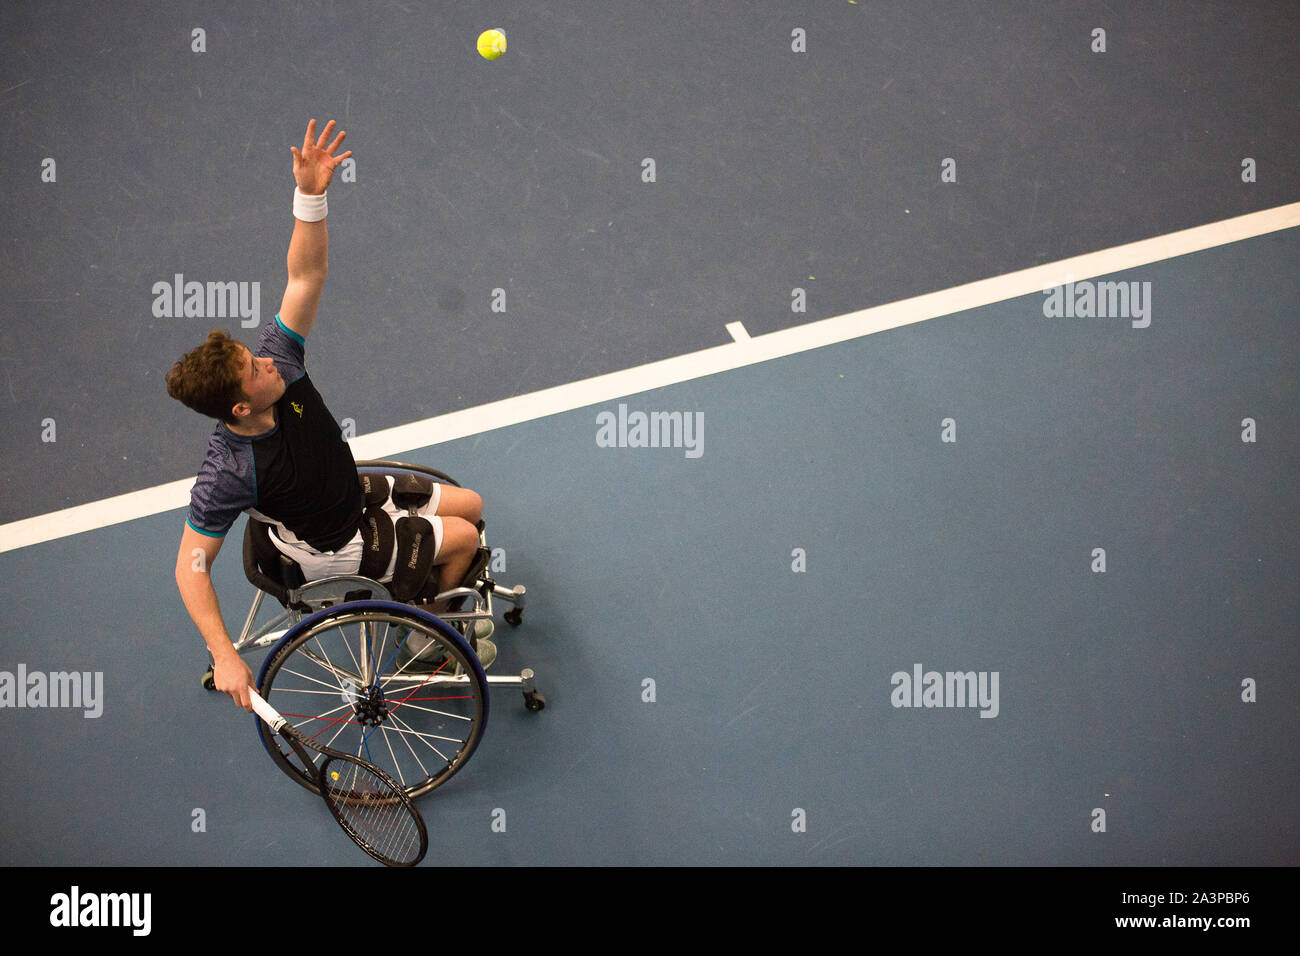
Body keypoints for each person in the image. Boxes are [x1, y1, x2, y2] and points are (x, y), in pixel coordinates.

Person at [167, 119, 491, 713]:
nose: (267, 359)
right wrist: (223, 654)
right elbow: (192, 569)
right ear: (240, 407)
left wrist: (310, 194)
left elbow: (305, 274)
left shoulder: (280, 363)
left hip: (350, 492)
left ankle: (432, 599)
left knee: (469, 502)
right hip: (326, 544)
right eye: (254, 369)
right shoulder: (229, 472)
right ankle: (427, 645)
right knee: (465, 537)